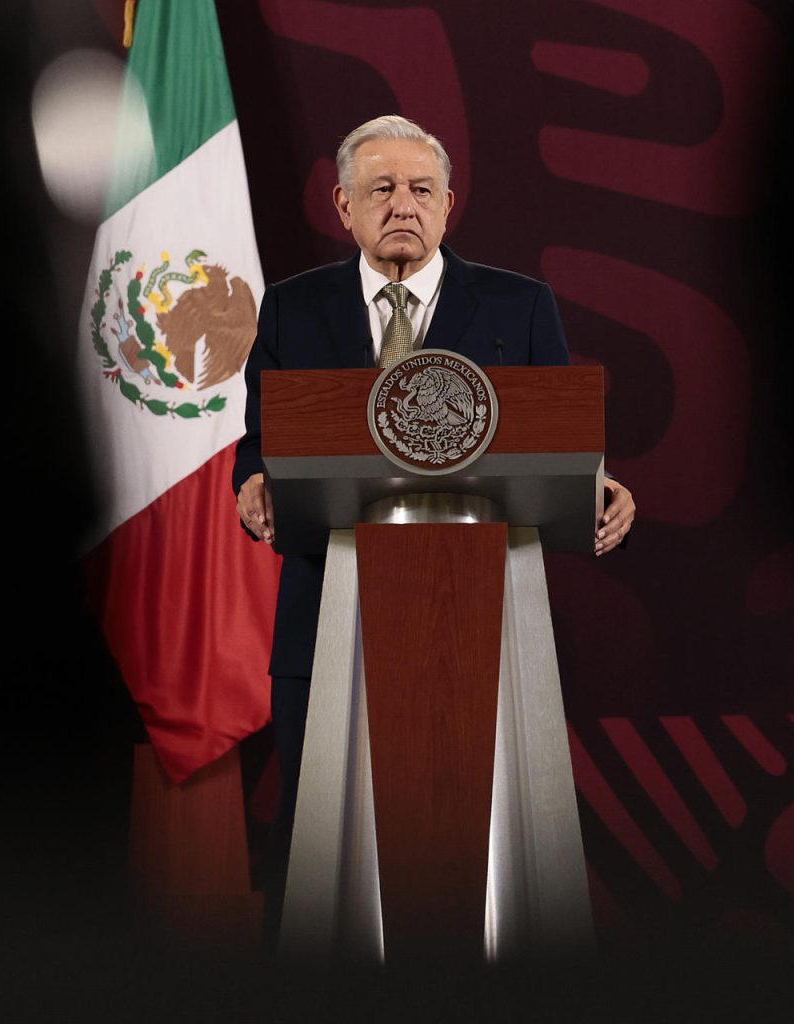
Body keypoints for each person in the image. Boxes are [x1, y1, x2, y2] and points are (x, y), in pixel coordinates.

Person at [230, 114, 636, 894]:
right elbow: (261, 446)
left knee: (484, 860)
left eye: (421, 189)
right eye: (381, 188)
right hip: (326, 619)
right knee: (321, 861)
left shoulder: (519, 307)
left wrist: (602, 487)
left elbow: (562, 441)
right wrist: (252, 484)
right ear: (344, 207)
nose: (403, 205)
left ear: (449, 205)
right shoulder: (290, 309)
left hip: (484, 616)